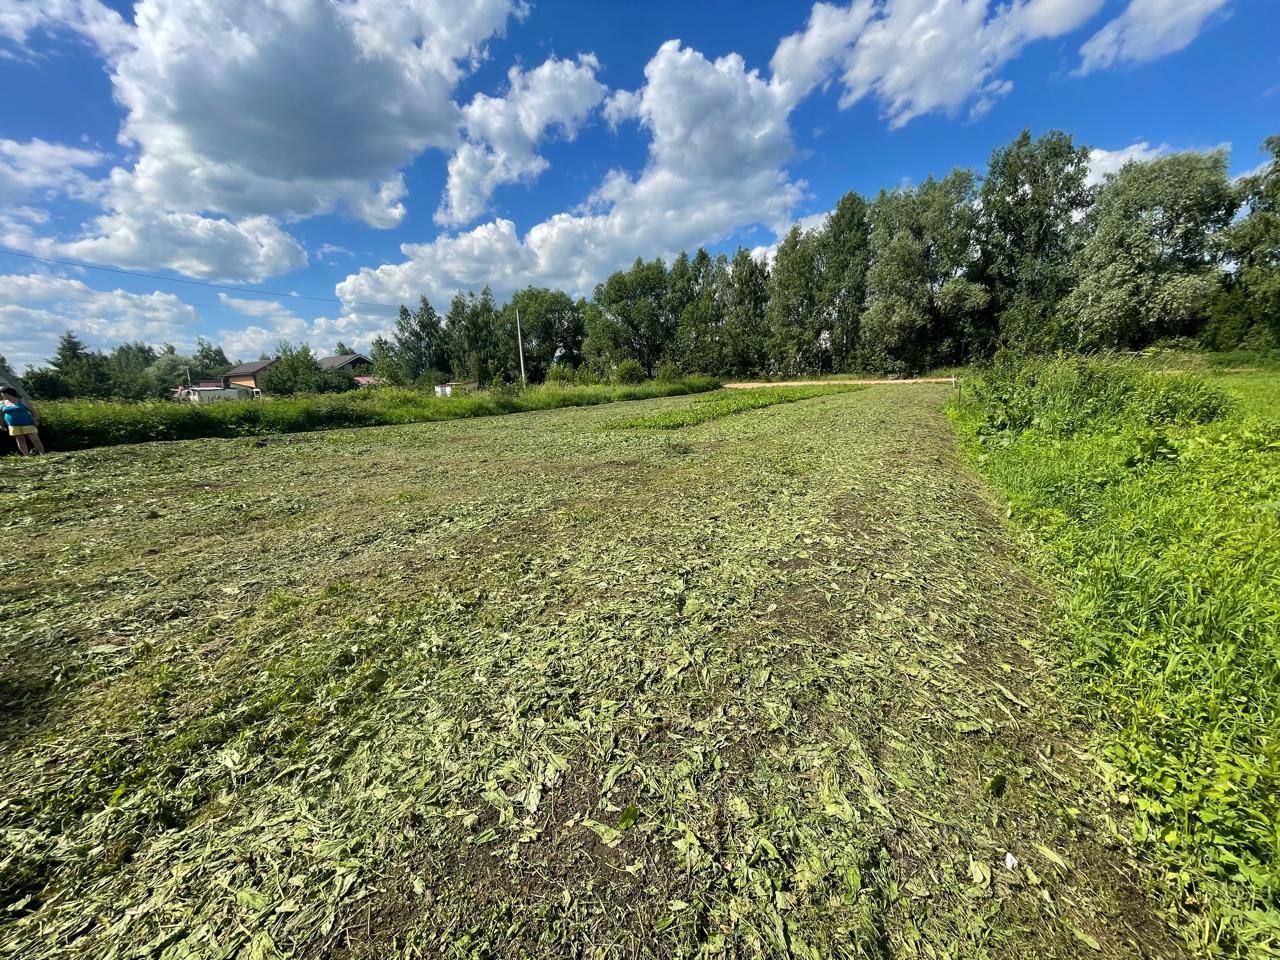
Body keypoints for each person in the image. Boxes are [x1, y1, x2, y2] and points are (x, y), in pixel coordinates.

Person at [2, 387, 46, 455]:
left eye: (3, 394)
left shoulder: (21, 400)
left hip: (28, 424)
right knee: (20, 441)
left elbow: (33, 411)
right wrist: (1, 425)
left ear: (8, 394)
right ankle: (27, 456)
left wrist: (35, 420)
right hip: (13, 426)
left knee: (35, 440)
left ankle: (42, 454)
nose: (2, 395)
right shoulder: (3, 403)